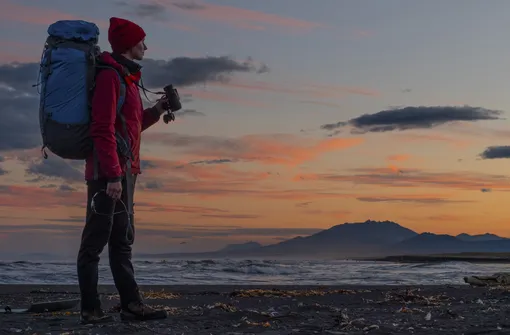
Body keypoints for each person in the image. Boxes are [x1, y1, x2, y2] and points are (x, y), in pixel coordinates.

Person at [77, 17, 169, 324]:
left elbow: (130, 126)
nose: (146, 45)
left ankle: (131, 305)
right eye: (142, 40)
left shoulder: (126, 79)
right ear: (129, 45)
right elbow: (101, 129)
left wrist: (158, 110)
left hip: (124, 171)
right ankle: (90, 310)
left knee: (121, 240)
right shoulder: (110, 77)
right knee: (94, 242)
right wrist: (114, 176)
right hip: (108, 173)